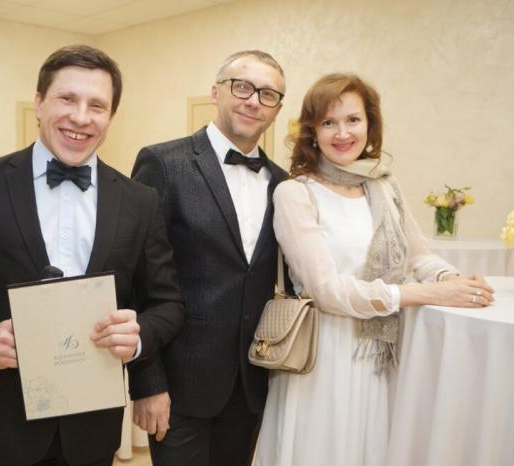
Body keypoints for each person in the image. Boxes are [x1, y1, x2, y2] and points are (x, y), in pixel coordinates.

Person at [0, 44, 184, 466]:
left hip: (91, 432)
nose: (81, 117)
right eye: (67, 98)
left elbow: (167, 303)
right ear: (39, 103)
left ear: (111, 116)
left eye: (97, 105)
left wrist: (138, 337)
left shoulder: (140, 200)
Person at [255, 73, 495, 466]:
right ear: (312, 131)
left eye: (353, 120)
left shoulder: (384, 186)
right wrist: (425, 293)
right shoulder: (295, 192)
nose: (342, 133)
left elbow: (419, 255)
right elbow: (326, 291)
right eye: (328, 122)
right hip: (324, 359)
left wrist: (452, 280)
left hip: (382, 356)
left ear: (370, 124)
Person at [129, 50, 289, 466]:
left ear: (277, 109)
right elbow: (138, 280)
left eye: (268, 94)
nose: (253, 101)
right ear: (216, 92)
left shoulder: (284, 184)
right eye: (242, 86)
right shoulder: (164, 163)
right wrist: (147, 382)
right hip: (180, 385)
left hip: (252, 383)